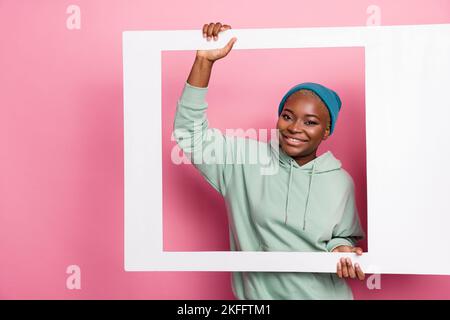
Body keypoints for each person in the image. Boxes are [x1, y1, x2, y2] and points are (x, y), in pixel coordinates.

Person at [173, 22, 366, 300]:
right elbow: (189, 134)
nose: (295, 128)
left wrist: (340, 249)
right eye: (287, 116)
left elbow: (342, 237)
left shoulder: (339, 181)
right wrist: (204, 61)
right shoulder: (244, 161)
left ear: (326, 131)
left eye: (310, 122)